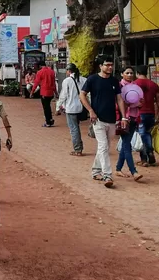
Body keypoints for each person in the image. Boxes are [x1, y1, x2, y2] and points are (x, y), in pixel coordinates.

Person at [79, 58, 127, 188]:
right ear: (101, 66)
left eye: (111, 65)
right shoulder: (92, 79)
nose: (110, 67)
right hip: (98, 119)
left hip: (111, 119)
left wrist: (123, 117)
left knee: (104, 147)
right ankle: (107, 175)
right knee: (103, 146)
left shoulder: (114, 81)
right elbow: (82, 94)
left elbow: (119, 99)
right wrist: (90, 111)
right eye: (107, 65)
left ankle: (95, 171)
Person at [116, 66, 143, 181]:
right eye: (127, 73)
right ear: (122, 74)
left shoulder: (136, 87)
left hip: (134, 118)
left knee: (125, 144)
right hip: (124, 118)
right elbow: (118, 104)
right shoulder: (119, 87)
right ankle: (134, 171)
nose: (130, 75)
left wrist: (139, 104)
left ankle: (118, 169)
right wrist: (134, 104)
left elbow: (141, 101)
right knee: (127, 145)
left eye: (131, 73)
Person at [135, 66, 159, 167]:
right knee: (147, 133)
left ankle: (145, 158)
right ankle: (149, 153)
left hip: (139, 113)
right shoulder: (154, 85)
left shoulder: (134, 84)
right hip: (151, 113)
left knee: (141, 135)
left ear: (137, 73)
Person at [56, 63, 87, 156]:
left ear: (69, 71)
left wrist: (58, 107)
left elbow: (63, 95)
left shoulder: (67, 81)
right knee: (76, 128)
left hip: (71, 108)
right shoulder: (84, 80)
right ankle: (79, 148)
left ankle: (78, 149)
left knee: (74, 129)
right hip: (81, 107)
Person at [34, 60, 58, 127]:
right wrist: (56, 92)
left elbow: (36, 83)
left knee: (46, 107)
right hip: (50, 92)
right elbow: (53, 84)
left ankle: (48, 122)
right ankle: (50, 119)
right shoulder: (52, 72)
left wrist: (32, 91)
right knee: (48, 106)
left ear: (40, 66)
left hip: (44, 92)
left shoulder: (39, 72)